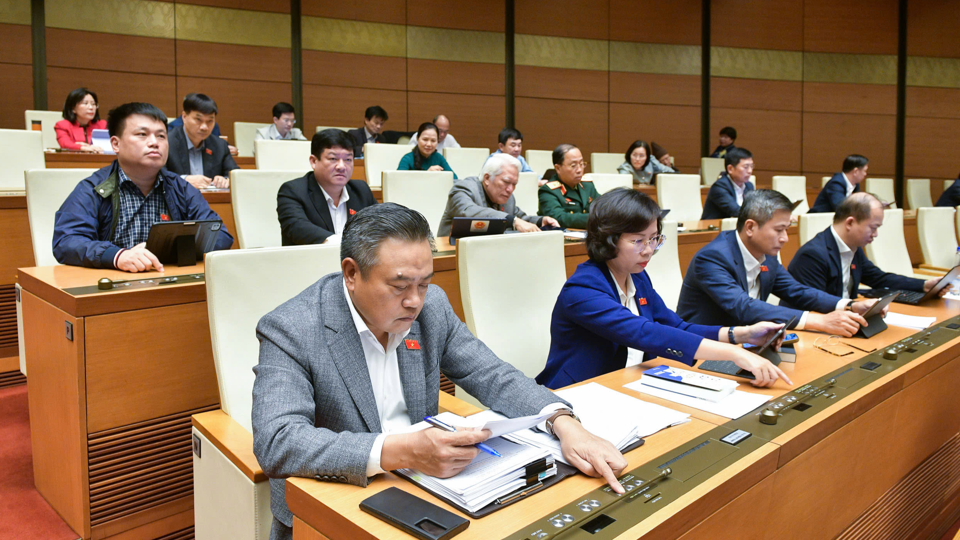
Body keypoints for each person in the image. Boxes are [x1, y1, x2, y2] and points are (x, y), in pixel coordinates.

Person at [252, 203, 629, 540]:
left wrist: (564, 423)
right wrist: (401, 451)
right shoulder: (293, 328)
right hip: (331, 508)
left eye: (424, 282)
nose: (415, 300)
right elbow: (279, 442)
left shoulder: (432, 307)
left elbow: (491, 373)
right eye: (399, 286)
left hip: (429, 493)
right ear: (351, 273)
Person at [536, 188, 791, 390]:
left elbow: (677, 327)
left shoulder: (638, 276)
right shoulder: (582, 289)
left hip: (629, 384)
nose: (649, 250)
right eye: (637, 241)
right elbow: (645, 333)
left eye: (654, 239)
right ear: (608, 239)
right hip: (578, 393)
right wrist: (734, 354)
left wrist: (742, 335)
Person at [52, 102, 233, 271]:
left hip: (167, 279)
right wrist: (117, 256)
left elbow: (220, 234)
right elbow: (67, 241)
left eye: (161, 136)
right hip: (113, 286)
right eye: (142, 134)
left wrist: (170, 250)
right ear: (116, 144)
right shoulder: (94, 188)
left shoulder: (181, 188)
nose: (154, 142)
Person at [677, 190, 873, 337]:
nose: (785, 238)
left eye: (787, 229)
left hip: (748, 343)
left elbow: (797, 291)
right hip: (702, 347)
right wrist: (818, 320)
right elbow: (744, 307)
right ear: (751, 227)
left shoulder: (766, 256)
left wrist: (849, 305)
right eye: (779, 230)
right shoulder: (713, 258)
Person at [787, 193, 946, 303]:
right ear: (850, 223)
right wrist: (853, 308)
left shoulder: (853, 248)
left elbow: (878, 278)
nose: (875, 234)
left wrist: (924, 284)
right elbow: (814, 303)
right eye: (873, 227)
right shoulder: (813, 255)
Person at [277, 129, 377, 245]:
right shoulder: (293, 191)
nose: (341, 166)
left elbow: (380, 224)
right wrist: (345, 244)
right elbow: (297, 227)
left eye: (348, 159)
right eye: (333, 159)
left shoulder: (361, 190)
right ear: (314, 161)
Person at [437, 153, 559, 236]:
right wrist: (512, 220)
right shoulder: (464, 188)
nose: (510, 189)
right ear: (487, 178)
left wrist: (541, 220)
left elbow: (519, 217)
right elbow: (467, 211)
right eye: (506, 182)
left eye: (514, 184)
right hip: (451, 253)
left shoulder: (508, 199)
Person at [166, 93, 238, 190]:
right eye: (198, 119)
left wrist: (226, 179)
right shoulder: (166, 143)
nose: (204, 127)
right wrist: (183, 179)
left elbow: (235, 174)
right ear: (184, 117)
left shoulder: (220, 145)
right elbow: (156, 176)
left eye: (210, 121)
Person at [538, 144, 599, 229]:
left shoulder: (587, 185)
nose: (579, 170)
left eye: (581, 164)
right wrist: (596, 219)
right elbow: (559, 218)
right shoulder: (548, 191)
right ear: (558, 168)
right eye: (573, 166)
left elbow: (602, 206)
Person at [701, 147, 756, 219]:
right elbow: (736, 211)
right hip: (715, 228)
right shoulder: (719, 187)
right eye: (746, 167)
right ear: (730, 169)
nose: (750, 171)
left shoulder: (749, 186)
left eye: (751, 167)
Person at [54, 87, 107, 152]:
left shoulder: (102, 125)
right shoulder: (62, 125)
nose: (91, 107)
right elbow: (65, 144)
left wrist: (88, 147)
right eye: (85, 103)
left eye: (93, 104)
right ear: (73, 108)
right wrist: (82, 147)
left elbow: (111, 145)